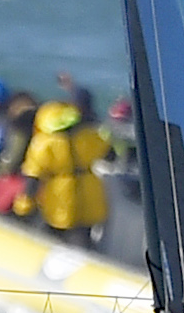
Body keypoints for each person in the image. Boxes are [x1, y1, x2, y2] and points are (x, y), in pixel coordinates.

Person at [14, 98, 112, 245]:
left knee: (52, 238)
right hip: (89, 191)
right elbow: (110, 155)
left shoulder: (42, 144)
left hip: (60, 197)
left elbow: (33, 179)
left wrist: (24, 206)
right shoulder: (89, 136)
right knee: (83, 237)